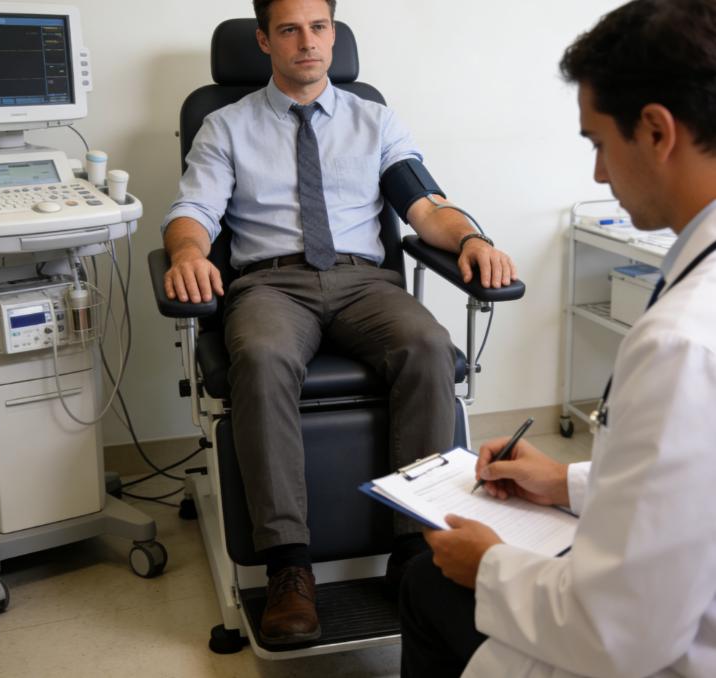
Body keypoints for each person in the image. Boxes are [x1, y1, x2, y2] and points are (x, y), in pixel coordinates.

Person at [161, 0, 516, 647]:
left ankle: (414, 547)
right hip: (271, 283)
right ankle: (287, 565)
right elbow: (195, 211)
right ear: (264, 40)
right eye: (290, 29)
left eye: (319, 27)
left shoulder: (374, 120)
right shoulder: (225, 125)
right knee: (262, 357)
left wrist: (471, 239)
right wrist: (187, 252)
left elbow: (425, 205)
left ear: (334, 35)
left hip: (363, 282)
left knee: (428, 345)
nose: (308, 42)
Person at [399, 0, 716, 676]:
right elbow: (691, 489)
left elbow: (621, 631)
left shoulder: (681, 342)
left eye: (598, 142)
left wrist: (489, 565)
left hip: (661, 653)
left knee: (428, 583)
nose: (598, 173)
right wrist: (565, 481)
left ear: (656, 131)